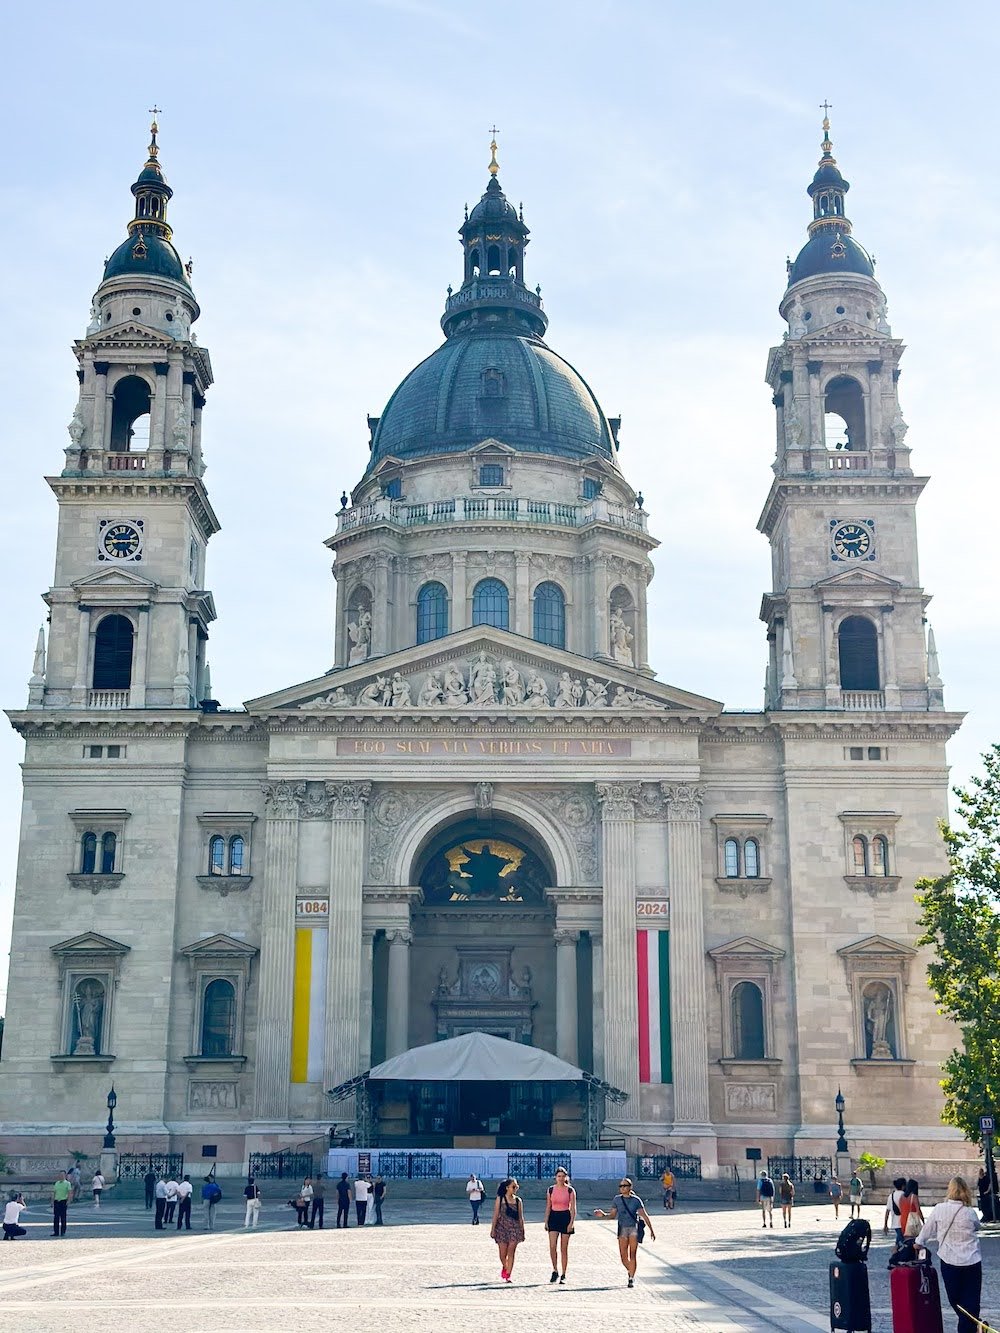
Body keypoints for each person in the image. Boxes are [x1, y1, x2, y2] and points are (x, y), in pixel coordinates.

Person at [915, 1175, 982, 1333]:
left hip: (949, 1260)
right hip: (972, 1260)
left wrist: (918, 1243)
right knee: (972, 1300)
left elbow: (927, 1230)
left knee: (955, 1299)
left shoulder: (939, 1209)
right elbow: (977, 1227)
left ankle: (969, 1327)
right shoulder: (970, 1212)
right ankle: (972, 1326)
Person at [593, 1177, 655, 1288]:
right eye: (621, 1186)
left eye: (625, 1186)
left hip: (633, 1229)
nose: (622, 1188)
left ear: (630, 1187)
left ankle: (631, 1277)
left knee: (633, 1254)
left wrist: (651, 1230)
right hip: (622, 1229)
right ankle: (630, 1270)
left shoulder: (636, 1200)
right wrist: (603, 1215)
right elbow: (612, 1215)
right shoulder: (617, 1199)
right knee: (623, 1256)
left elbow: (644, 1215)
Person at [543, 1166, 577, 1285]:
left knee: (564, 1248)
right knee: (552, 1246)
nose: (561, 1178)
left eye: (563, 1176)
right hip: (554, 1216)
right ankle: (555, 1270)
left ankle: (564, 1274)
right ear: (555, 1177)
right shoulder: (551, 1190)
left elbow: (573, 1208)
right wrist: (546, 1221)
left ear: (566, 1177)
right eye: (559, 1176)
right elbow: (548, 1206)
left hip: (565, 1216)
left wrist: (571, 1223)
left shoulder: (570, 1190)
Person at [491, 1178, 526, 1283]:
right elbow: (496, 1214)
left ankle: (508, 1274)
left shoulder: (518, 1201)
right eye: (513, 1186)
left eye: (516, 1186)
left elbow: (521, 1217)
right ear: (507, 1188)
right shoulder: (500, 1199)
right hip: (501, 1227)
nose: (516, 1188)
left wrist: (522, 1230)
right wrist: (493, 1229)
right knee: (503, 1254)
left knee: (511, 1251)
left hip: (514, 1228)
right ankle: (505, 1266)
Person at [883, 1175, 907, 1247]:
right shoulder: (905, 1195)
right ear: (903, 1186)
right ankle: (897, 1254)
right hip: (904, 1222)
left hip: (895, 1222)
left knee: (900, 1239)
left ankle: (897, 1253)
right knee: (902, 1241)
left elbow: (887, 1211)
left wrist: (885, 1224)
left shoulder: (891, 1196)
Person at [52, 1170, 71, 1236]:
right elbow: (54, 1192)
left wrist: (68, 1201)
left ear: (65, 1176)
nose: (61, 1176)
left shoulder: (67, 1183)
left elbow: (69, 1192)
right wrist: (52, 1201)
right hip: (57, 1201)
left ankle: (63, 1232)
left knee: (63, 1217)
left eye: (62, 1175)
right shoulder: (56, 1183)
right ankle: (56, 1232)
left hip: (63, 1201)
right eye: (60, 1175)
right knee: (56, 1217)